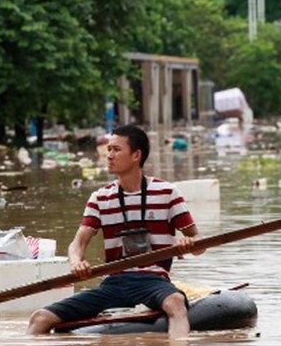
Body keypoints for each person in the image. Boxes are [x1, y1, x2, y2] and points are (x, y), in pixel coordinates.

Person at [27, 125, 203, 337]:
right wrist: (76, 262)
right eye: (108, 149)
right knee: (40, 318)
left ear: (136, 155)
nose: (109, 155)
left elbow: (197, 241)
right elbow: (78, 244)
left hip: (154, 281)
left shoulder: (167, 192)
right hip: (114, 283)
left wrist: (188, 243)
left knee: (176, 303)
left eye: (116, 150)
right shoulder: (100, 197)